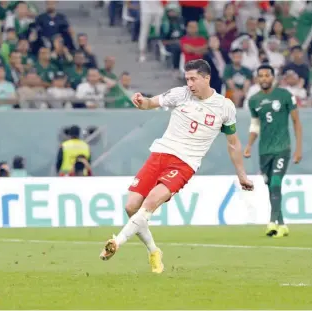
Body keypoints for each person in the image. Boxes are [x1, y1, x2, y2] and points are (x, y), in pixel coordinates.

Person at [99, 60, 254, 273]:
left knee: (151, 201)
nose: (189, 83)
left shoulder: (224, 107)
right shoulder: (180, 94)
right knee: (131, 206)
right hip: (160, 154)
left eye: (193, 79)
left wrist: (242, 175)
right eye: (187, 79)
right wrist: (140, 100)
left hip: (185, 163)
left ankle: (116, 242)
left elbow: (233, 143)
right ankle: (154, 251)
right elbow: (151, 103)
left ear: (206, 78)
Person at [244, 64, 302, 238]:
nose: (263, 78)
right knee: (271, 186)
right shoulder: (254, 100)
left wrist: (298, 149)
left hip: (282, 148)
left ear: (273, 77)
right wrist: (249, 145)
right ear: (257, 79)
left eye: (266, 75)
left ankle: (272, 222)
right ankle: (282, 224)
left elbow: (296, 123)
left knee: (276, 182)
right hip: (264, 151)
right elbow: (255, 125)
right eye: (260, 76)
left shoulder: (284, 96)